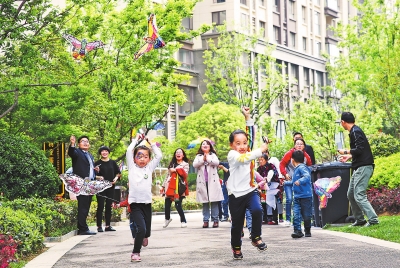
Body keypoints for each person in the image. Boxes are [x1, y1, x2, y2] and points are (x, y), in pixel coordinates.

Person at [227, 106, 269, 260]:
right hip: (236, 195)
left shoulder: (248, 150)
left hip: (250, 191)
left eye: (244, 143)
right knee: (237, 225)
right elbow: (244, 159)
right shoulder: (233, 155)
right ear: (232, 145)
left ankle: (256, 237)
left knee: (257, 210)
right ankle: (236, 248)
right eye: (238, 143)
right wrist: (261, 150)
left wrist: (247, 117)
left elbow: (250, 135)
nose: (242, 146)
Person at [338, 112, 379, 227]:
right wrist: (349, 156)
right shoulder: (354, 131)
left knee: (359, 194)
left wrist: (345, 151)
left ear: (343, 122)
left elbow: (360, 149)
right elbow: (360, 150)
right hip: (358, 167)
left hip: (364, 167)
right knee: (351, 194)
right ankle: (360, 220)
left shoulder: (355, 131)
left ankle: (373, 220)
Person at [127, 134, 162, 262]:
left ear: (149, 159)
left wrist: (150, 142)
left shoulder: (149, 168)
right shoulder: (131, 167)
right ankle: (135, 253)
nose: (142, 159)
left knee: (146, 231)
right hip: (135, 203)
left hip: (147, 203)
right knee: (141, 228)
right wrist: (136, 139)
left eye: (145, 156)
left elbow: (159, 156)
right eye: (139, 156)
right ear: (134, 158)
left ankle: (144, 236)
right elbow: (128, 150)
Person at [68, 135, 99, 235]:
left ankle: (84, 226)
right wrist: (72, 144)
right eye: (83, 141)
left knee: (87, 205)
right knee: (83, 206)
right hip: (81, 183)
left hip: (89, 184)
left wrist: (96, 171)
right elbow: (71, 153)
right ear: (79, 144)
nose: (85, 143)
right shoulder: (77, 152)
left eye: (87, 141)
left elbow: (89, 169)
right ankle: (82, 229)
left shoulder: (90, 155)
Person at [279, 139, 312, 226]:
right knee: (289, 199)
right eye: (297, 144)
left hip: (300, 183)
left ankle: (299, 220)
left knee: (299, 200)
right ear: (294, 146)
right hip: (289, 180)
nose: (299, 146)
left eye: (301, 144)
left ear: (304, 146)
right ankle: (288, 219)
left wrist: (303, 178)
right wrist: (285, 174)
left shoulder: (306, 156)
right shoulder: (289, 154)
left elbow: (310, 166)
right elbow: (281, 164)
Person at [193, 140, 223, 228]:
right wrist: (203, 160)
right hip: (202, 181)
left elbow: (217, 163)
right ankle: (205, 220)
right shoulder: (198, 156)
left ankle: (215, 220)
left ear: (210, 146)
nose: (205, 145)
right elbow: (195, 165)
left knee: (214, 201)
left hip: (212, 181)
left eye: (207, 144)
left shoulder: (213, 155)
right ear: (201, 147)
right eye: (203, 144)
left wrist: (208, 158)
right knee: (204, 201)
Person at [95, 146, 121, 233]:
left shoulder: (112, 163)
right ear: (100, 153)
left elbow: (118, 173)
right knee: (100, 206)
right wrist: (98, 177)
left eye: (106, 151)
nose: (104, 153)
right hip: (100, 187)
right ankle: (99, 226)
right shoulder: (97, 163)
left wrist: (116, 179)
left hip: (111, 186)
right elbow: (93, 175)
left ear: (108, 152)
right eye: (102, 151)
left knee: (109, 206)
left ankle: (108, 226)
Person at [162, 148, 190, 228]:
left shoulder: (185, 164)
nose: (178, 153)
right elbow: (167, 176)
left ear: (183, 155)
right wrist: (163, 186)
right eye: (177, 152)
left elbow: (185, 174)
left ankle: (183, 221)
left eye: (180, 152)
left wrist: (175, 170)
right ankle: (167, 219)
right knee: (167, 204)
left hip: (179, 188)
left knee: (178, 205)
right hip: (170, 187)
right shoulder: (172, 164)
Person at [290, 150, 313, 238]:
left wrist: (300, 181)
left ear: (292, 160)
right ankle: (297, 231)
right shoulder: (296, 170)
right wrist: (286, 183)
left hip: (306, 196)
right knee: (296, 214)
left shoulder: (302, 167)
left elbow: (307, 176)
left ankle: (307, 229)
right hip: (297, 196)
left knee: (306, 215)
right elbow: (294, 182)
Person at [256, 153, 280, 225]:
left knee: (273, 202)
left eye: (262, 159)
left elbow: (276, 174)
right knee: (263, 201)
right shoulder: (259, 168)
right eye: (259, 160)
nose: (260, 161)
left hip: (273, 186)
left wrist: (268, 178)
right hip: (263, 187)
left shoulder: (271, 166)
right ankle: (264, 218)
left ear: (266, 160)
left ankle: (275, 219)